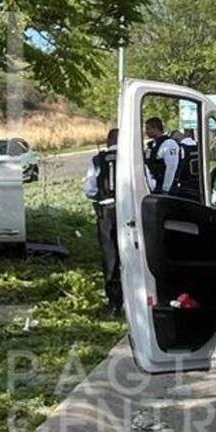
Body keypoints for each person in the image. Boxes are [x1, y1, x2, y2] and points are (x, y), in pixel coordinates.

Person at [84, 128, 122, 314]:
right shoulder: (131, 159)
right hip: (127, 210)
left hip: (106, 212)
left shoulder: (97, 160)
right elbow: (150, 183)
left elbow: (89, 188)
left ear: (108, 141)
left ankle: (114, 303)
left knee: (110, 255)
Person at [144, 117, 181, 195]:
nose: (146, 131)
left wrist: (166, 189)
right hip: (155, 186)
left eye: (148, 128)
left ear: (156, 128)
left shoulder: (169, 144)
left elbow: (171, 167)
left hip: (166, 188)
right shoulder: (151, 145)